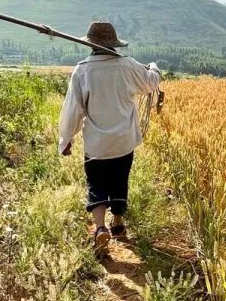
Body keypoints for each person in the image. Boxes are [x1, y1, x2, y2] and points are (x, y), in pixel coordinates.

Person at [58, 20, 161, 250]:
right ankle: (117, 223)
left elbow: (73, 108)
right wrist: (153, 67)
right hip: (124, 141)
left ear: (90, 44)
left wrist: (66, 139)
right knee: (119, 180)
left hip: (96, 144)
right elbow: (150, 83)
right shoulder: (129, 65)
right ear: (114, 44)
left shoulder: (83, 70)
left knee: (96, 184)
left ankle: (100, 227)